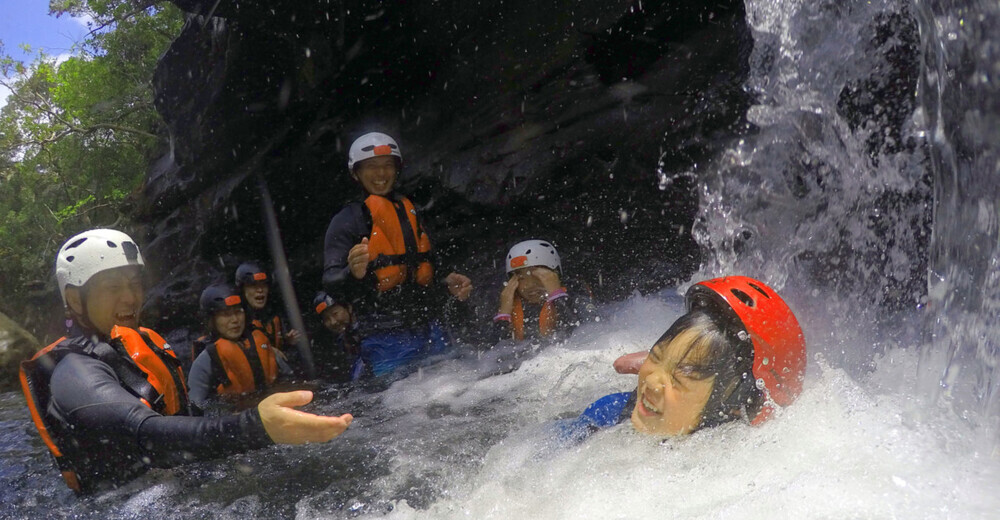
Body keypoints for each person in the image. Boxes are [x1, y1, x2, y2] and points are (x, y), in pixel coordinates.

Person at [19, 229, 352, 494]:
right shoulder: (73, 373)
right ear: (75, 298)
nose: (131, 297)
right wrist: (257, 427)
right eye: (112, 287)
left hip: (169, 488)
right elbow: (146, 433)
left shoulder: (128, 344)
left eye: (134, 283)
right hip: (124, 504)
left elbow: (188, 418)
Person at [560, 276, 806, 441]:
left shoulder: (736, 466)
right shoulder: (609, 414)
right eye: (656, 357)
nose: (652, 383)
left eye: (680, 379)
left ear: (732, 403)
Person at [322, 132, 473, 378]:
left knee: (456, 391)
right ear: (355, 173)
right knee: (400, 404)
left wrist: (447, 280)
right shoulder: (345, 221)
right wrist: (353, 272)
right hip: (384, 340)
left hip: (429, 326)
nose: (381, 174)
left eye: (387, 166)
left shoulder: (409, 209)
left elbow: (423, 265)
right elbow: (331, 283)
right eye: (372, 166)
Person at [186, 283, 286, 408]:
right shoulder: (207, 360)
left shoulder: (262, 344)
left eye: (238, 312)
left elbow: (290, 381)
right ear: (212, 320)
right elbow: (196, 409)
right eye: (226, 314)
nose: (235, 320)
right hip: (234, 421)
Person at [490, 239, 594, 344]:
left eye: (536, 276)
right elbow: (494, 353)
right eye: (521, 278)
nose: (529, 285)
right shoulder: (506, 305)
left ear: (554, 274)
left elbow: (585, 334)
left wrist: (557, 295)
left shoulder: (575, 294)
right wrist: (503, 315)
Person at [235, 262, 300, 351]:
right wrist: (268, 350)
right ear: (242, 290)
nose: (260, 290)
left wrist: (287, 342)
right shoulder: (236, 320)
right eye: (253, 285)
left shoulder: (274, 315)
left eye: (263, 284)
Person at [309, 291, 360, 380]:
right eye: (326, 319)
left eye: (335, 313)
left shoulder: (371, 329)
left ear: (348, 307)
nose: (333, 322)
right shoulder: (334, 342)